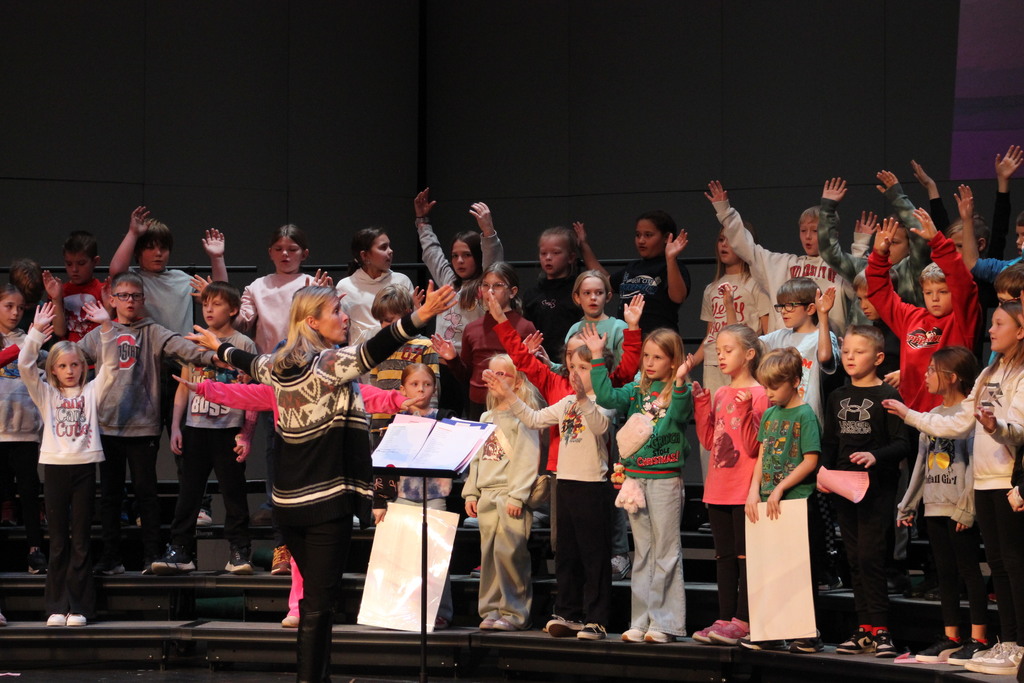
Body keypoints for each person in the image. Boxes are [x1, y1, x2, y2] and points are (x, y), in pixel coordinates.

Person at [188, 281, 456, 682]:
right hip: (325, 504)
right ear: (312, 321)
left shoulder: (279, 365)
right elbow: (376, 348)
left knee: (316, 602)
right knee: (318, 605)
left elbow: (249, 361)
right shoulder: (329, 364)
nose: (345, 317)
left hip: (288, 505)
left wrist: (220, 347)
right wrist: (419, 316)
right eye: (336, 312)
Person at [884, 300, 1024, 676]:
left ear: (1021, 331)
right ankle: (1008, 642)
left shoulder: (1022, 375)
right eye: (991, 323)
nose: (991, 331)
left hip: (1008, 479)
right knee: (997, 563)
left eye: (999, 324)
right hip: (983, 480)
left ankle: (1020, 645)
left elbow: (1019, 429)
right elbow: (959, 422)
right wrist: (909, 414)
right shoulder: (989, 373)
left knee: (1012, 565)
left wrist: (996, 428)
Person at [78, 272, 217, 575]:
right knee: (111, 495)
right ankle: (111, 557)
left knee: (146, 494)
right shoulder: (101, 332)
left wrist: (218, 355)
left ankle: (151, 554)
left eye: (135, 296)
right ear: (111, 299)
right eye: (123, 295)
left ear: (143, 300)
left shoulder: (153, 332)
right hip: (107, 426)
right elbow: (71, 358)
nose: (129, 301)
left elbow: (188, 351)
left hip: (143, 426)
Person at [485, 340, 615, 641]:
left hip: (592, 487)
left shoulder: (604, 402)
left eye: (584, 368)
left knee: (594, 554)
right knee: (567, 552)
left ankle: (596, 618)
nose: (575, 374)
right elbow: (533, 418)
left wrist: (583, 398)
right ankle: (568, 612)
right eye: (572, 368)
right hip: (565, 483)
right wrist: (507, 394)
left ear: (599, 370)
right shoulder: (567, 403)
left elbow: (599, 427)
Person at [228, 223, 333, 575]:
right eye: (279, 248)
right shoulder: (258, 287)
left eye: (292, 248)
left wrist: (326, 297)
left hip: (310, 382)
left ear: (304, 252)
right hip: (273, 380)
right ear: (270, 252)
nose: (285, 254)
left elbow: (326, 327)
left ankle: (311, 540)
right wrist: (217, 264)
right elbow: (239, 322)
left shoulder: (309, 284)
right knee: (277, 462)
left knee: (310, 460)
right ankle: (282, 547)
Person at [589, 327, 692, 644]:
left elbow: (677, 415)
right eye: (646, 355)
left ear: (673, 361)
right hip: (635, 479)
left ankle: (667, 623)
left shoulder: (679, 390)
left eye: (658, 357)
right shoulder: (636, 390)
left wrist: (679, 383)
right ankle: (641, 620)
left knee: (666, 551)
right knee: (644, 552)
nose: (649, 362)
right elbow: (606, 396)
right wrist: (596, 357)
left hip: (664, 480)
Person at [19, 300, 115, 627]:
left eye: (75, 364)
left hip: (85, 468)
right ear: (54, 370)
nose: (70, 370)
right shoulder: (46, 394)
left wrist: (106, 328)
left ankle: (80, 607)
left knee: (81, 538)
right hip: (56, 469)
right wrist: (34, 333)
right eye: (63, 366)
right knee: (58, 540)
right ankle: (56, 606)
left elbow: (112, 367)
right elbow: (24, 366)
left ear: (83, 368)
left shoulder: (91, 392)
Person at [153, 282, 258, 575]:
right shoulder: (195, 343)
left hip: (229, 429)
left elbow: (253, 394)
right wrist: (175, 426)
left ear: (234, 309)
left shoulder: (244, 344)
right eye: (206, 304)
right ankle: (181, 550)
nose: (208, 309)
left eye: (217, 304)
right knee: (189, 493)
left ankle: (239, 551)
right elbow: (183, 389)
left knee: (234, 494)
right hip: (195, 427)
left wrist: (247, 434)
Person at [820, 325, 911, 658]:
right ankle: (865, 629)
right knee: (854, 557)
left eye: (859, 352)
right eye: (846, 352)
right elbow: (831, 441)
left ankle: (882, 628)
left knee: (871, 557)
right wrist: (824, 472)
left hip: (876, 489)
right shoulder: (837, 396)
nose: (850, 358)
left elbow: (903, 442)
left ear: (879, 357)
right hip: (844, 487)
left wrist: (876, 456)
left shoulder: (887, 395)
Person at [896, 346, 989, 665]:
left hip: (958, 508)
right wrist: (908, 504)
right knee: (945, 574)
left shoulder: (968, 414)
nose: (926, 374)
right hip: (934, 506)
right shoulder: (932, 416)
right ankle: (951, 636)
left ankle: (979, 638)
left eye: (932, 370)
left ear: (951, 378)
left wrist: (967, 507)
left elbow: (976, 464)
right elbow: (921, 464)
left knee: (968, 572)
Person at [739, 348, 821, 653]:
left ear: (795, 382)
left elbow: (810, 460)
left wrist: (780, 488)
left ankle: (807, 633)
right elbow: (762, 455)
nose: (769, 394)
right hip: (767, 500)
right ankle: (770, 630)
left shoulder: (805, 414)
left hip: (796, 500)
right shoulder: (771, 414)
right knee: (770, 568)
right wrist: (753, 490)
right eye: (766, 387)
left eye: (774, 387)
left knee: (797, 568)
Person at [690, 325, 768, 647]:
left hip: (744, 489)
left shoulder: (760, 394)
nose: (720, 356)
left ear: (749, 354)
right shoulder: (721, 393)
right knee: (723, 556)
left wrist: (748, 409)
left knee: (745, 556)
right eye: (718, 351)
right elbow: (709, 441)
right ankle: (725, 618)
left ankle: (744, 619)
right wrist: (701, 404)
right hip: (719, 486)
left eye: (728, 350)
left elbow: (756, 447)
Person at [867, 210, 979, 413]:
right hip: (909, 412)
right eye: (928, 292)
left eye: (943, 292)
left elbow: (964, 285)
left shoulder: (962, 320)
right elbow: (879, 294)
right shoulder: (912, 317)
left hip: (949, 413)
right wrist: (879, 255)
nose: (934, 298)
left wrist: (937, 241)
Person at [371, 363, 456, 629]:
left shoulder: (445, 417)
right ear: (402, 389)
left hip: (434, 495)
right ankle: (403, 610)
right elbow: (384, 464)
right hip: (403, 496)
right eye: (415, 384)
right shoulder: (394, 420)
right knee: (401, 556)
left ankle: (439, 611)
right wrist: (379, 501)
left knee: (436, 556)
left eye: (427, 384)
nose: (421, 389)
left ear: (435, 388)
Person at [462, 354, 542, 632]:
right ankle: (492, 608)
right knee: (489, 555)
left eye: (502, 375)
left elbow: (527, 457)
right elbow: (476, 458)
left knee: (510, 554)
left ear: (517, 382)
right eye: (490, 375)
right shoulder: (486, 417)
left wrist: (518, 495)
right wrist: (471, 492)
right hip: (487, 494)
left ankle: (515, 612)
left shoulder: (523, 417)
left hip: (510, 495)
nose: (494, 380)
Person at [706, 180, 850, 334]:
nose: (807, 236)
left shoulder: (842, 265)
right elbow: (748, 248)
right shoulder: (784, 264)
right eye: (803, 230)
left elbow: (863, 285)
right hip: (786, 351)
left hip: (826, 348)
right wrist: (725, 212)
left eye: (815, 231)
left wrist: (828, 210)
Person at [414, 189, 504, 415]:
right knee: (444, 418)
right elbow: (432, 253)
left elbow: (492, 260)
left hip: (469, 366)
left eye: (467, 255)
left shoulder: (485, 284)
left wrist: (488, 231)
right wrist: (422, 221)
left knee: (474, 419)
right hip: (442, 365)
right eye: (455, 255)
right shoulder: (448, 281)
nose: (460, 261)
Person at [433, 262, 536, 420]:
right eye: (485, 285)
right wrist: (452, 358)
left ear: (512, 292)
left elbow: (533, 377)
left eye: (498, 285)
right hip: (477, 404)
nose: (491, 291)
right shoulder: (472, 328)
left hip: (511, 402)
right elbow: (466, 376)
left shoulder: (524, 327)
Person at [108, 206, 228, 336]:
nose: (158, 253)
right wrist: (133, 233)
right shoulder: (133, 278)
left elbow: (221, 296)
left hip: (181, 351)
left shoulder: (183, 280)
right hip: (144, 351)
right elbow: (116, 272)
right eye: (150, 248)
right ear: (137, 252)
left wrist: (217, 258)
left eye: (163, 248)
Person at [0, 283, 47, 574]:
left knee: (30, 492)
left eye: (20, 308)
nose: (15, 312)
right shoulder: (27, 340)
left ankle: (35, 550)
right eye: (8, 306)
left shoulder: (31, 340)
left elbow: (49, 367)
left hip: (25, 429)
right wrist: (29, 341)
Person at [365, 285, 439, 447]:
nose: (385, 325)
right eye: (381, 321)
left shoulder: (424, 346)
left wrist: (428, 419)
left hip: (413, 422)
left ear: (407, 314)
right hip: (381, 422)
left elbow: (432, 388)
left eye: (390, 320)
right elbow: (374, 385)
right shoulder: (378, 347)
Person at [758, 277, 839, 419]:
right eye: (781, 306)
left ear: (810, 308)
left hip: (809, 418)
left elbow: (825, 357)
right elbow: (745, 344)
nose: (783, 311)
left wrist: (823, 315)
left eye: (790, 305)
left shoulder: (822, 336)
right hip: (781, 417)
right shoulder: (779, 336)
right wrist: (729, 306)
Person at [523, 223, 605, 360]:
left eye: (556, 252)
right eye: (543, 253)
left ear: (571, 257)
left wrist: (583, 246)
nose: (548, 258)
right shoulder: (532, 294)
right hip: (541, 361)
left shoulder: (580, 290)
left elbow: (605, 281)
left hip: (574, 361)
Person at [609, 210, 691, 334]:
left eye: (648, 235)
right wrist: (584, 246)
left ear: (666, 238)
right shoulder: (632, 267)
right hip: (627, 340)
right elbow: (602, 282)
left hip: (658, 341)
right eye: (638, 235)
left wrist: (670, 258)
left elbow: (678, 297)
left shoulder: (673, 266)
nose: (641, 240)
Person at [337, 227, 414, 345]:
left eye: (389, 246)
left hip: (398, 350)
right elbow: (340, 329)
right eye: (383, 247)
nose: (390, 251)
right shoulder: (346, 286)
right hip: (361, 355)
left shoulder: (401, 281)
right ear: (364, 255)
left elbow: (411, 322)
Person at [57, 230, 104, 342]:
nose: (74, 269)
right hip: (68, 354)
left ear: (95, 261)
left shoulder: (102, 290)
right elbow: (59, 331)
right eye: (69, 264)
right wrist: (56, 299)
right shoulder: (60, 291)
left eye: (81, 263)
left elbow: (108, 329)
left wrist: (108, 305)